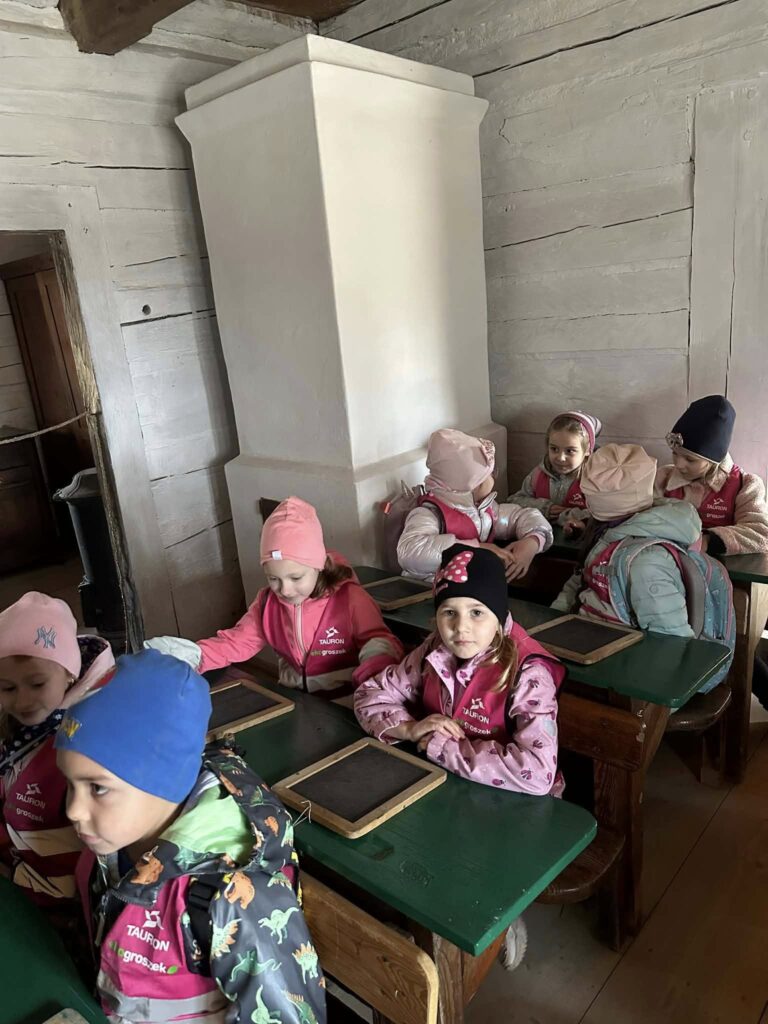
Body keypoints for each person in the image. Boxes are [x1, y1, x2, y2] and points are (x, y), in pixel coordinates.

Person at [55, 649, 326, 1024]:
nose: (72, 810)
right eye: (70, 784)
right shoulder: (108, 847)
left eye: (97, 788)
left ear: (164, 781)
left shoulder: (231, 897)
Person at [355, 544, 565, 971]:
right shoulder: (433, 652)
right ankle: (412, 929)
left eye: (477, 612)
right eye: (448, 612)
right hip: (449, 788)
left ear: (499, 615)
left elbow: (537, 773)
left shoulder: (528, 672)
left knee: (477, 862)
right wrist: (409, 728)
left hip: (513, 806)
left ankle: (503, 916)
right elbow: (371, 695)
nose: (460, 627)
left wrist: (440, 747)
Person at [147, 497, 403, 699]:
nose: (285, 590)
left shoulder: (350, 599)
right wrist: (193, 654)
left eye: (296, 577)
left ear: (319, 565)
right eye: (273, 579)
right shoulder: (267, 604)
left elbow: (379, 641)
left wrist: (374, 678)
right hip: (297, 701)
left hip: (348, 702)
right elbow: (236, 643)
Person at [552, 444, 734, 692]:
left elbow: (672, 644)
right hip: (594, 644)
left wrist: (648, 701)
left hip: (626, 674)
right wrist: (554, 623)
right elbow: (580, 580)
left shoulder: (647, 563)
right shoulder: (609, 533)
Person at [0, 592, 114, 908]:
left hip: (61, 896)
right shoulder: (18, 728)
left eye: (37, 684)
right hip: (24, 867)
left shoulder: (91, 736)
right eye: (7, 688)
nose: (23, 700)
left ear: (69, 673)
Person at [397, 428, 552, 583]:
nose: (494, 477)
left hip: (472, 588)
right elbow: (411, 552)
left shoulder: (484, 510)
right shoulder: (430, 513)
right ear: (474, 484)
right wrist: (474, 548)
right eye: (490, 473)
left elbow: (520, 516)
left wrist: (533, 541)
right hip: (434, 592)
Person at [656, 394, 768, 554]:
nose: (678, 464)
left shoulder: (745, 485)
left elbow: (761, 533)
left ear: (714, 461)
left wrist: (706, 542)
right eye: (675, 453)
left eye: (690, 459)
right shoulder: (663, 477)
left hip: (725, 568)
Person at [511, 410, 602, 534]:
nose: (560, 458)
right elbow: (514, 501)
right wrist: (543, 507)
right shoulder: (538, 474)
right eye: (554, 449)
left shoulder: (594, 480)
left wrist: (567, 516)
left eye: (570, 451)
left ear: (587, 450)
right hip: (537, 537)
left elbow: (602, 515)